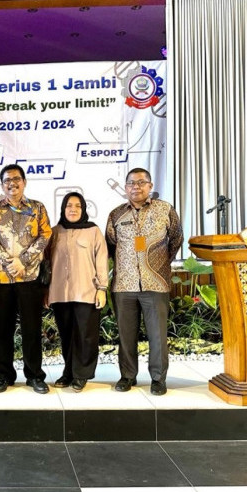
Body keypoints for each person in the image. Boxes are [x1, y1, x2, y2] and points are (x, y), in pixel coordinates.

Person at [105, 168, 183, 396]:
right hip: (124, 285)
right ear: (126, 187)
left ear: (150, 185)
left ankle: (158, 379)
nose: (135, 187)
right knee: (126, 333)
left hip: (156, 283)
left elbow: (176, 238)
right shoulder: (116, 214)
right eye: (131, 183)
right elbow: (111, 244)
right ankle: (127, 376)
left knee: (157, 334)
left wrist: (159, 263)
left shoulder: (165, 209)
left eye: (141, 182)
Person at [0, 164, 52, 394]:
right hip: (1, 279)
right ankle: (4, 375)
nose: (12, 184)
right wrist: (8, 262)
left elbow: (45, 235)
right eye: (7, 181)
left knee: (32, 328)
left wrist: (23, 261)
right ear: (2, 185)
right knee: (3, 329)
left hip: (29, 277)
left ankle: (34, 376)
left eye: (16, 179)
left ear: (24, 182)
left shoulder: (37, 208)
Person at [46, 192, 108, 392]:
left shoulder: (93, 231)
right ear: (63, 209)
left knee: (85, 335)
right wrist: (45, 290)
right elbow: (46, 264)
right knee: (66, 335)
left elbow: (101, 260)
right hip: (60, 293)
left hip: (86, 291)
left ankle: (82, 374)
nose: (73, 209)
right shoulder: (55, 232)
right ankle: (69, 372)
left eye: (77, 206)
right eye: (69, 206)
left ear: (83, 209)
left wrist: (102, 289)